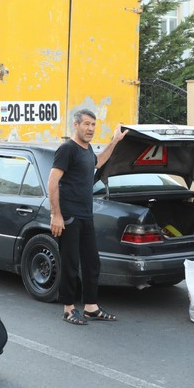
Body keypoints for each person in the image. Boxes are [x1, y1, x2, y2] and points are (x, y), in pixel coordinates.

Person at [48, 109, 126, 325]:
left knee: (92, 262)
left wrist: (114, 141)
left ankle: (91, 307)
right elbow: (52, 181)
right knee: (71, 264)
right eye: (86, 124)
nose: (91, 128)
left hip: (85, 215)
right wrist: (56, 214)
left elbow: (97, 162)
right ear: (76, 124)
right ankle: (68, 308)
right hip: (69, 216)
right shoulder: (67, 149)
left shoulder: (87, 149)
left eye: (93, 124)